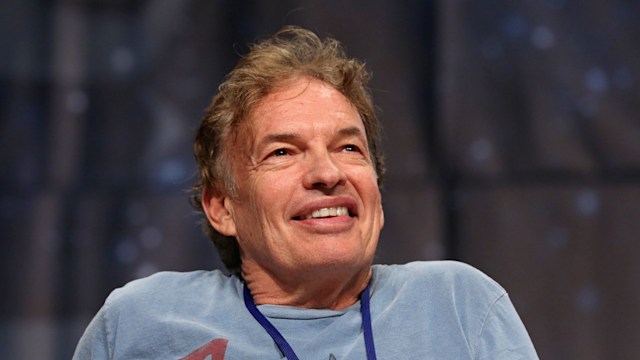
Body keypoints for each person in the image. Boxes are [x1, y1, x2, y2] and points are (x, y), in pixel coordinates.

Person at [73, 26, 538, 359]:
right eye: (282, 152)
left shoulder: (458, 304)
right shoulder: (142, 321)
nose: (327, 172)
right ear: (222, 206)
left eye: (348, 147)